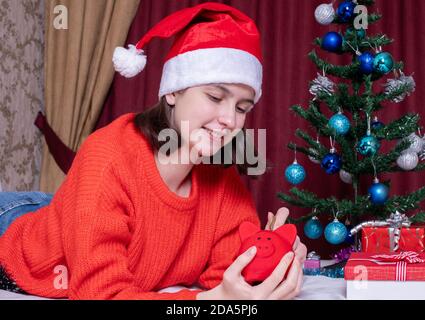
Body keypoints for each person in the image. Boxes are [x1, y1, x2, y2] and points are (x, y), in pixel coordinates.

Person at [0, 2, 306, 300]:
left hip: (75, 211)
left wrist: (268, 259)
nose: (230, 120)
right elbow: (99, 294)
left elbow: (228, 278)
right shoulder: (108, 157)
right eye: (215, 97)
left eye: (242, 107)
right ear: (173, 90)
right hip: (16, 235)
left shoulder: (221, 177)